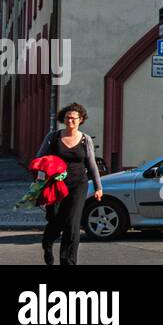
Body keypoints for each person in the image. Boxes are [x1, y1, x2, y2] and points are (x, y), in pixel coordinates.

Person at [35, 103, 102, 266]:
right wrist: (39, 183)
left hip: (78, 184)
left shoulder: (85, 139)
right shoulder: (53, 137)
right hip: (55, 185)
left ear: (81, 120)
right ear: (63, 119)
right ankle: (48, 243)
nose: (70, 120)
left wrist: (99, 187)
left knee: (72, 224)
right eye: (67, 118)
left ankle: (68, 261)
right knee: (56, 221)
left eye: (74, 118)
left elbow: (92, 164)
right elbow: (40, 159)